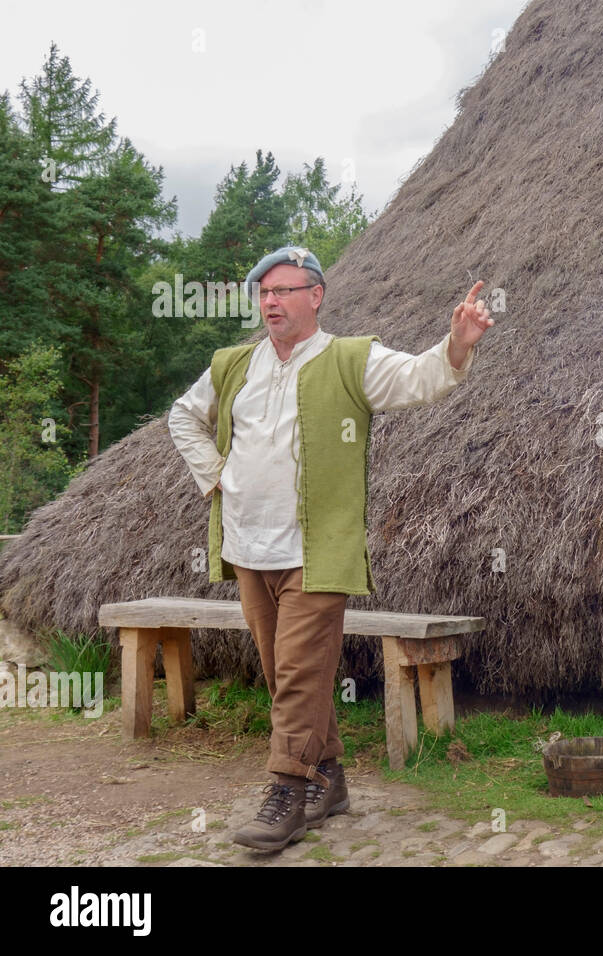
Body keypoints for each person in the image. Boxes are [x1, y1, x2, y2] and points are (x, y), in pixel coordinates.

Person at [168, 245, 492, 851]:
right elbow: (181, 417)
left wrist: (458, 343)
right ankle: (331, 778)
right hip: (246, 548)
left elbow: (421, 379)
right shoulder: (232, 365)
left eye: (284, 291)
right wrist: (215, 475)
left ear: (315, 296)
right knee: (288, 675)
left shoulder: (350, 359)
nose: (271, 302)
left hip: (317, 551)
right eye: (264, 293)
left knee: (295, 676)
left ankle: (287, 792)